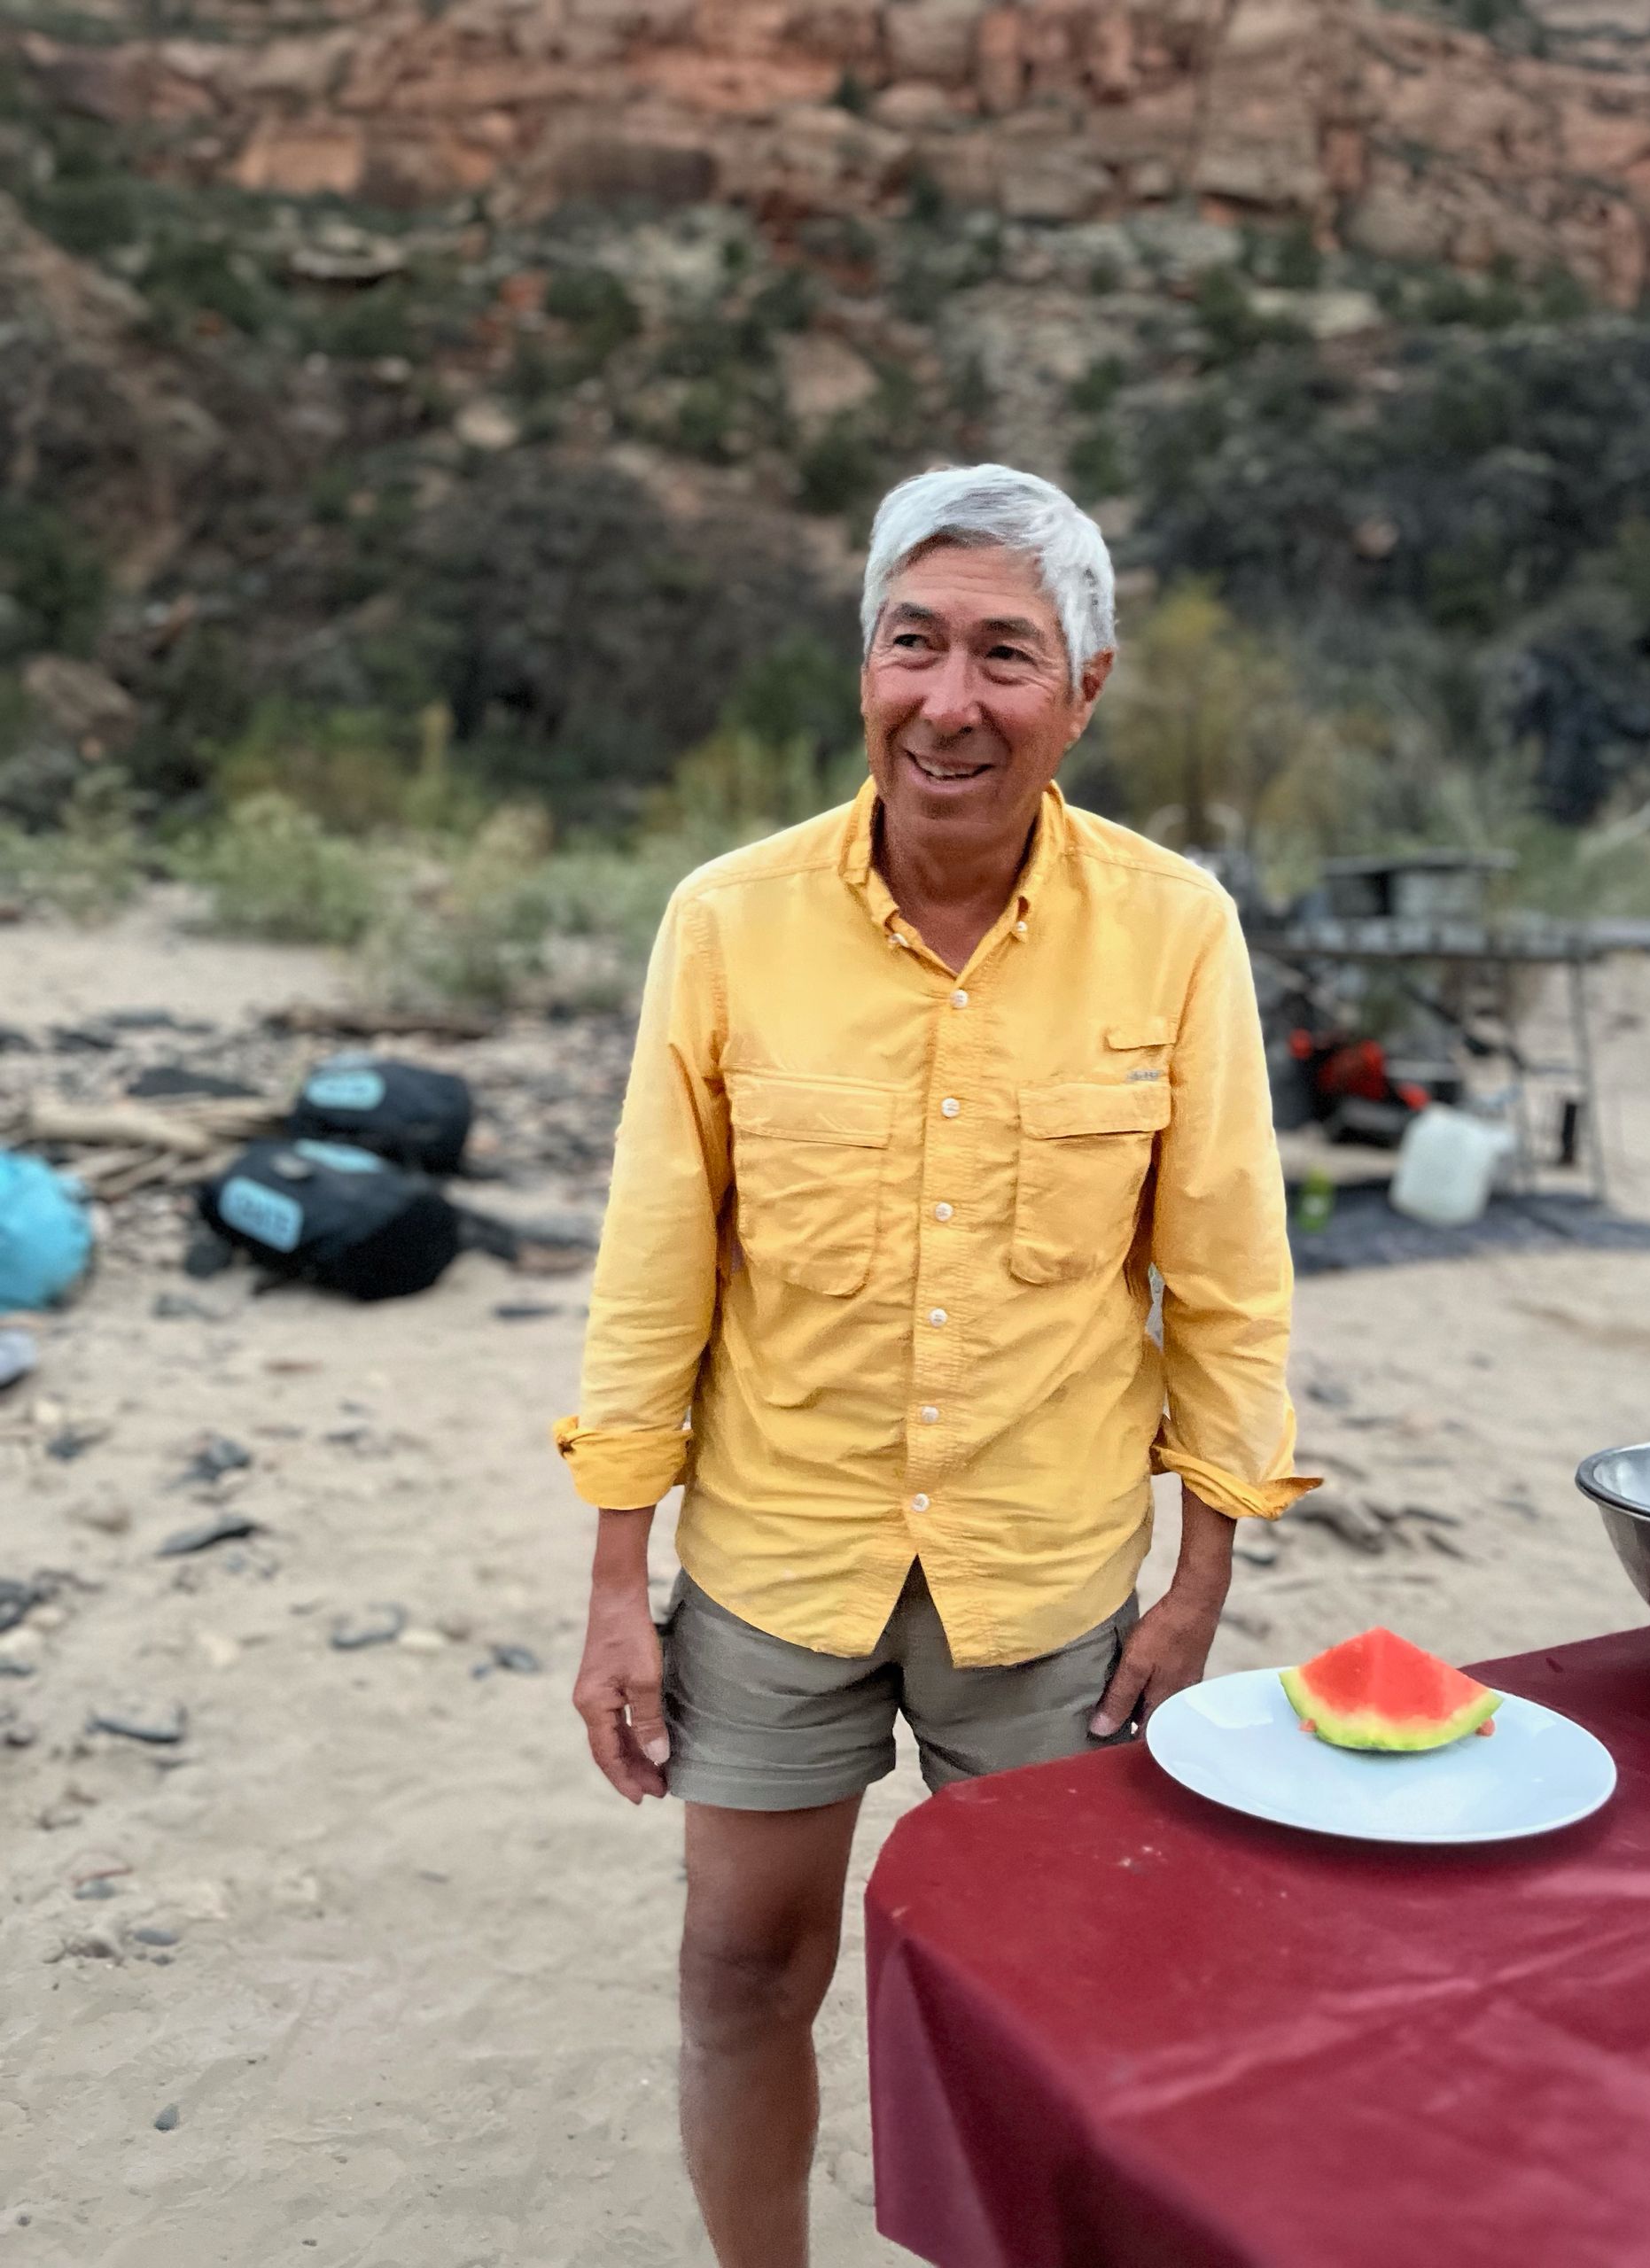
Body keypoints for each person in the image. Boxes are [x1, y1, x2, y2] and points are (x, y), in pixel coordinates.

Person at [557, 462, 1316, 2268]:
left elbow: (1225, 1274)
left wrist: (1200, 1576)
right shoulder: (729, 921)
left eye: (1004, 653)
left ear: (1089, 686)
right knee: (743, 1964)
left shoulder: (1174, 925)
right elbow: (654, 1263)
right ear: (866, 663)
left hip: (1055, 1577)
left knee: (1050, 1995)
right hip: (772, 1557)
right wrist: (612, 1581)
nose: (948, 701)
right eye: (914, 645)